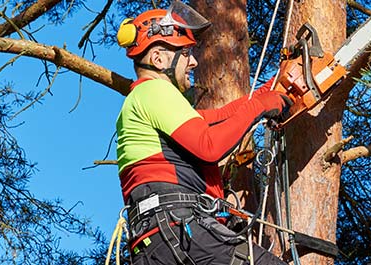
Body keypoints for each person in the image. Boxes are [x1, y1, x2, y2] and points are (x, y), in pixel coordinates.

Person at [114, 2, 290, 265]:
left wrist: (271, 89)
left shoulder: (145, 102)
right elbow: (210, 145)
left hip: (160, 241)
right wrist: (260, 106)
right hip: (178, 229)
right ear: (159, 58)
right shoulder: (153, 91)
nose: (194, 61)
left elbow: (217, 119)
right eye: (185, 52)